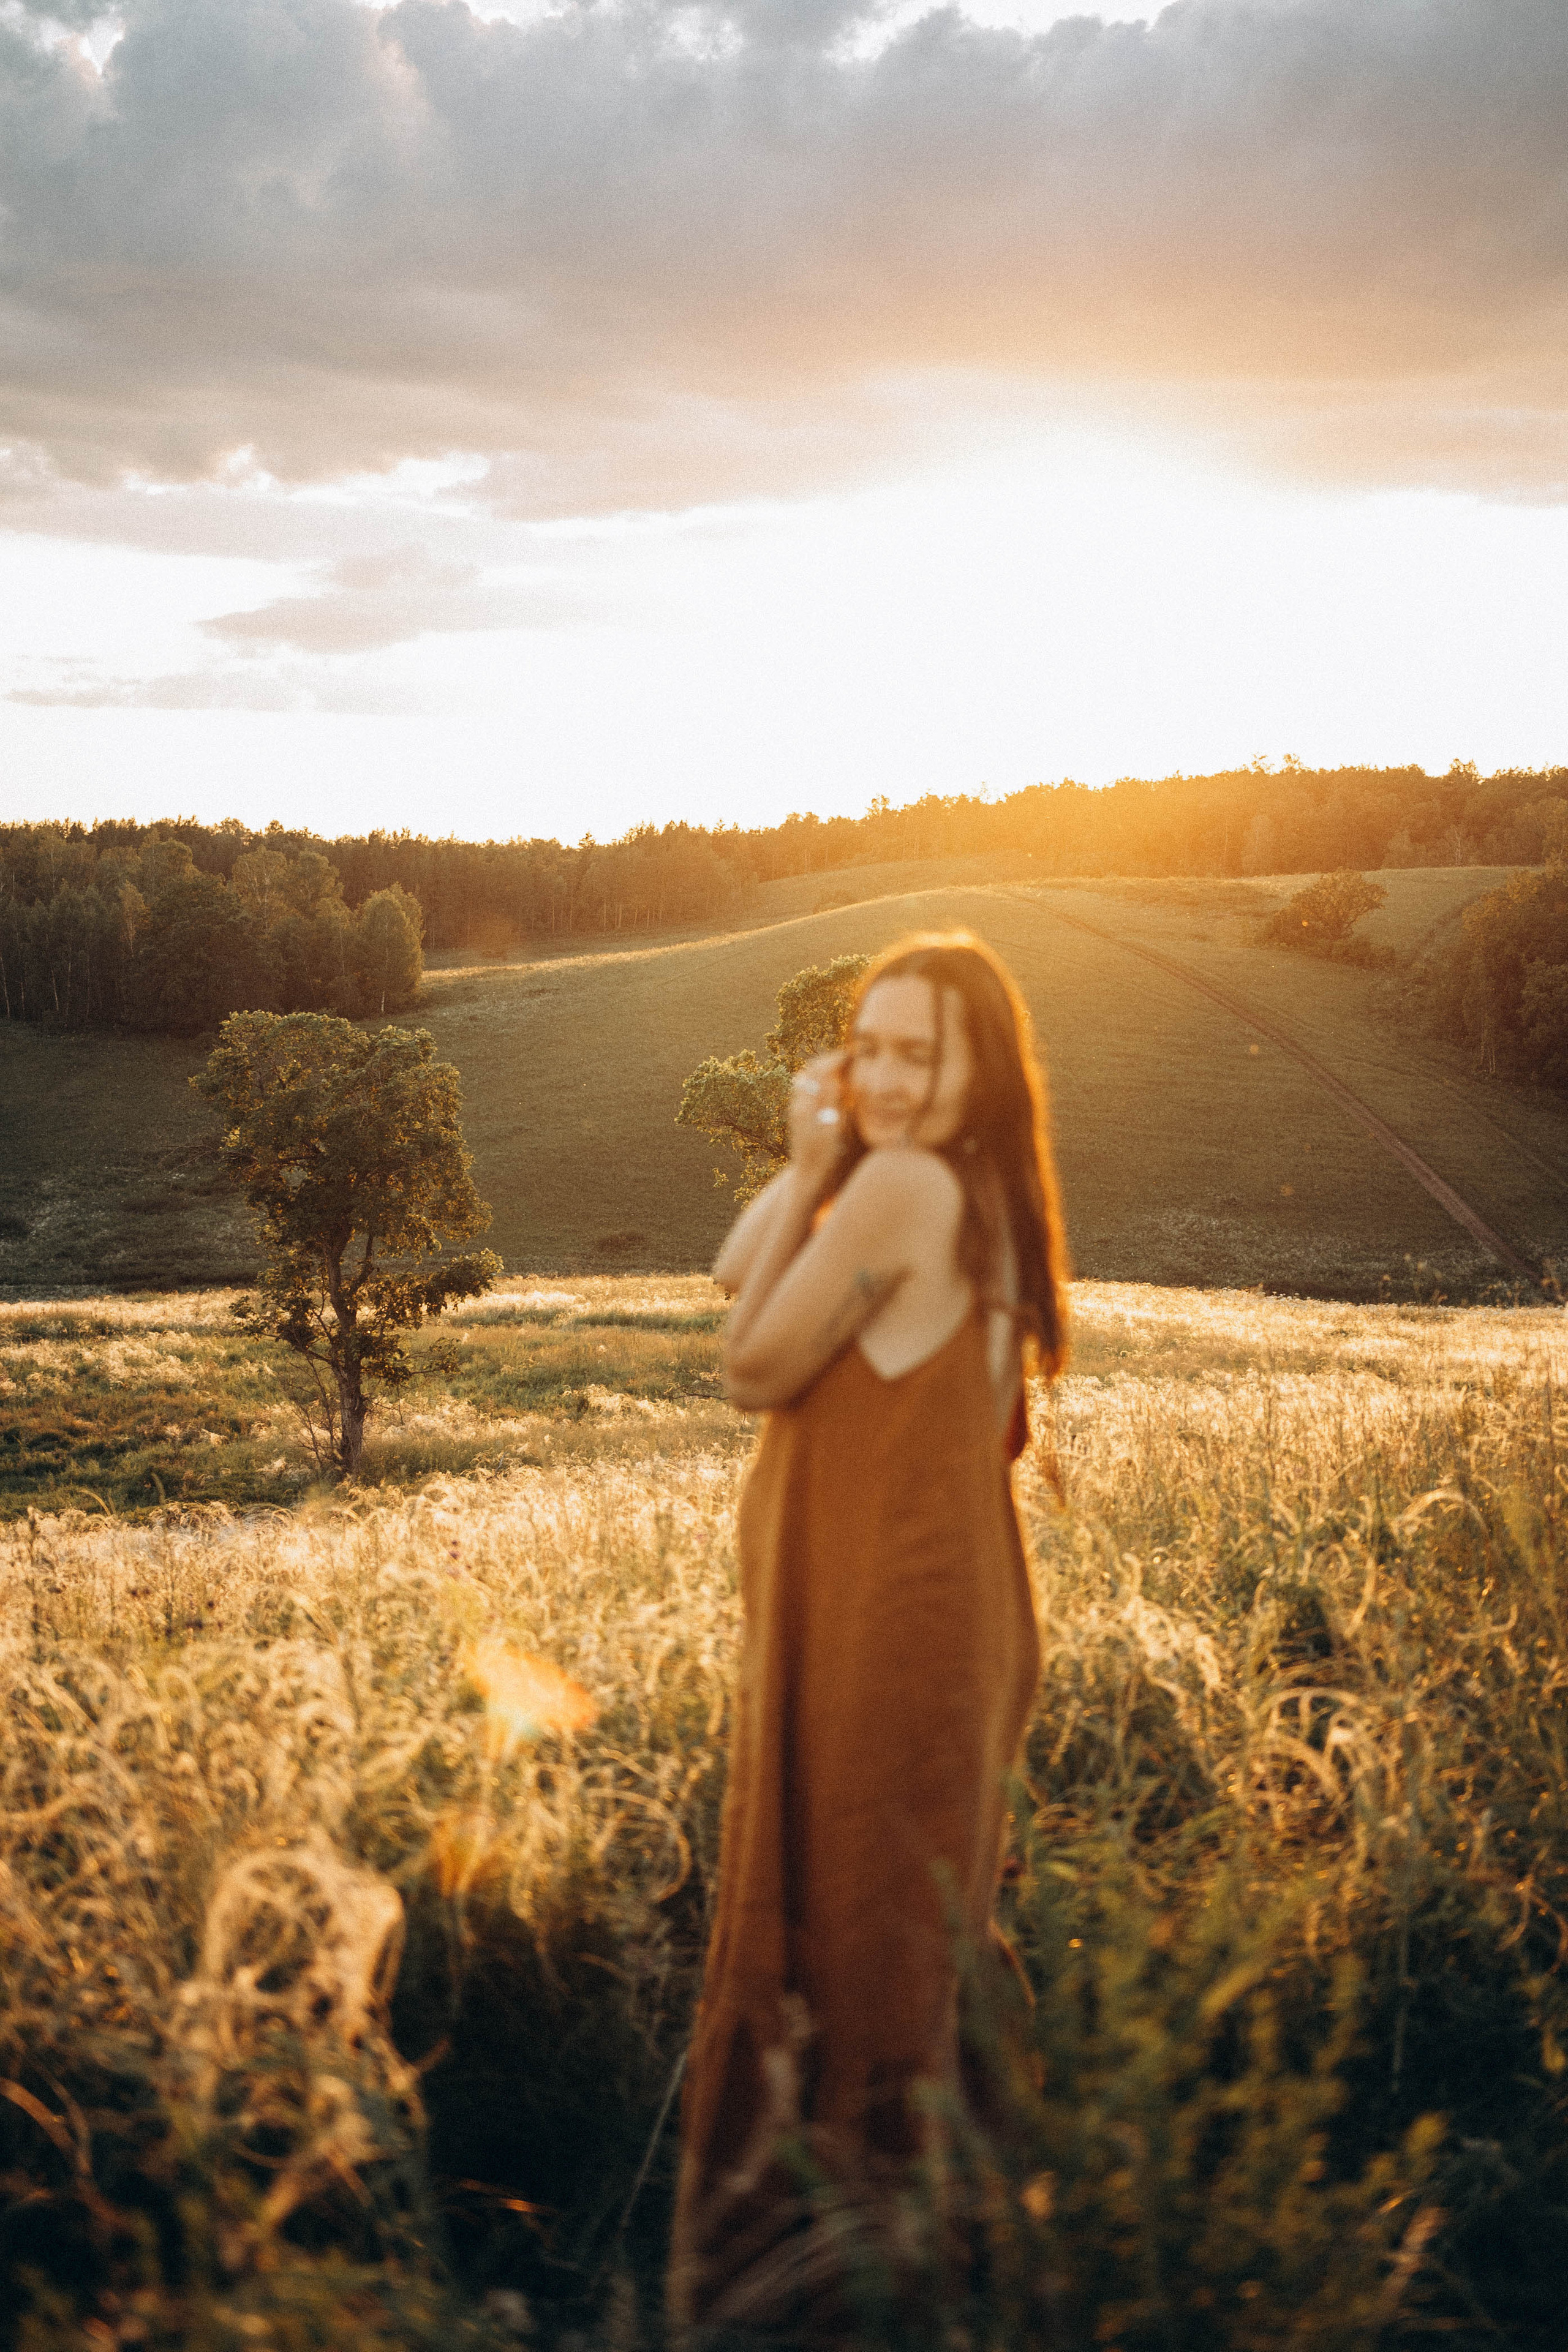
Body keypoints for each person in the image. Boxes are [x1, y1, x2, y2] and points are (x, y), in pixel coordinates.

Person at [668, 930, 1071, 2339]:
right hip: (932, 1623)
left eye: (921, 1053)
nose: (891, 1081)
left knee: (858, 1944)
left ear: (981, 1071)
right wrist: (801, 1155)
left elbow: (745, 1363)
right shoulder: (946, 1185)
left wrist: (835, 1165)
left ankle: (856, 2290)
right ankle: (942, 2269)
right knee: (903, 1942)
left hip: (892, 1637)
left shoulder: (904, 1189)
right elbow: (737, 1271)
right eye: (871, 1048)